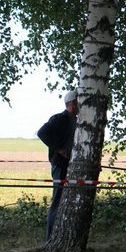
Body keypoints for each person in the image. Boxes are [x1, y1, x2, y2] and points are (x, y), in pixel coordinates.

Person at [37, 90, 78, 241]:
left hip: (68, 165)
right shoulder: (60, 118)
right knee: (57, 201)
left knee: (64, 200)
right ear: (72, 104)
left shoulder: (75, 120)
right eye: (79, 102)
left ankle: (59, 236)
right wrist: (59, 148)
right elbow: (42, 132)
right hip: (59, 166)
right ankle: (49, 240)